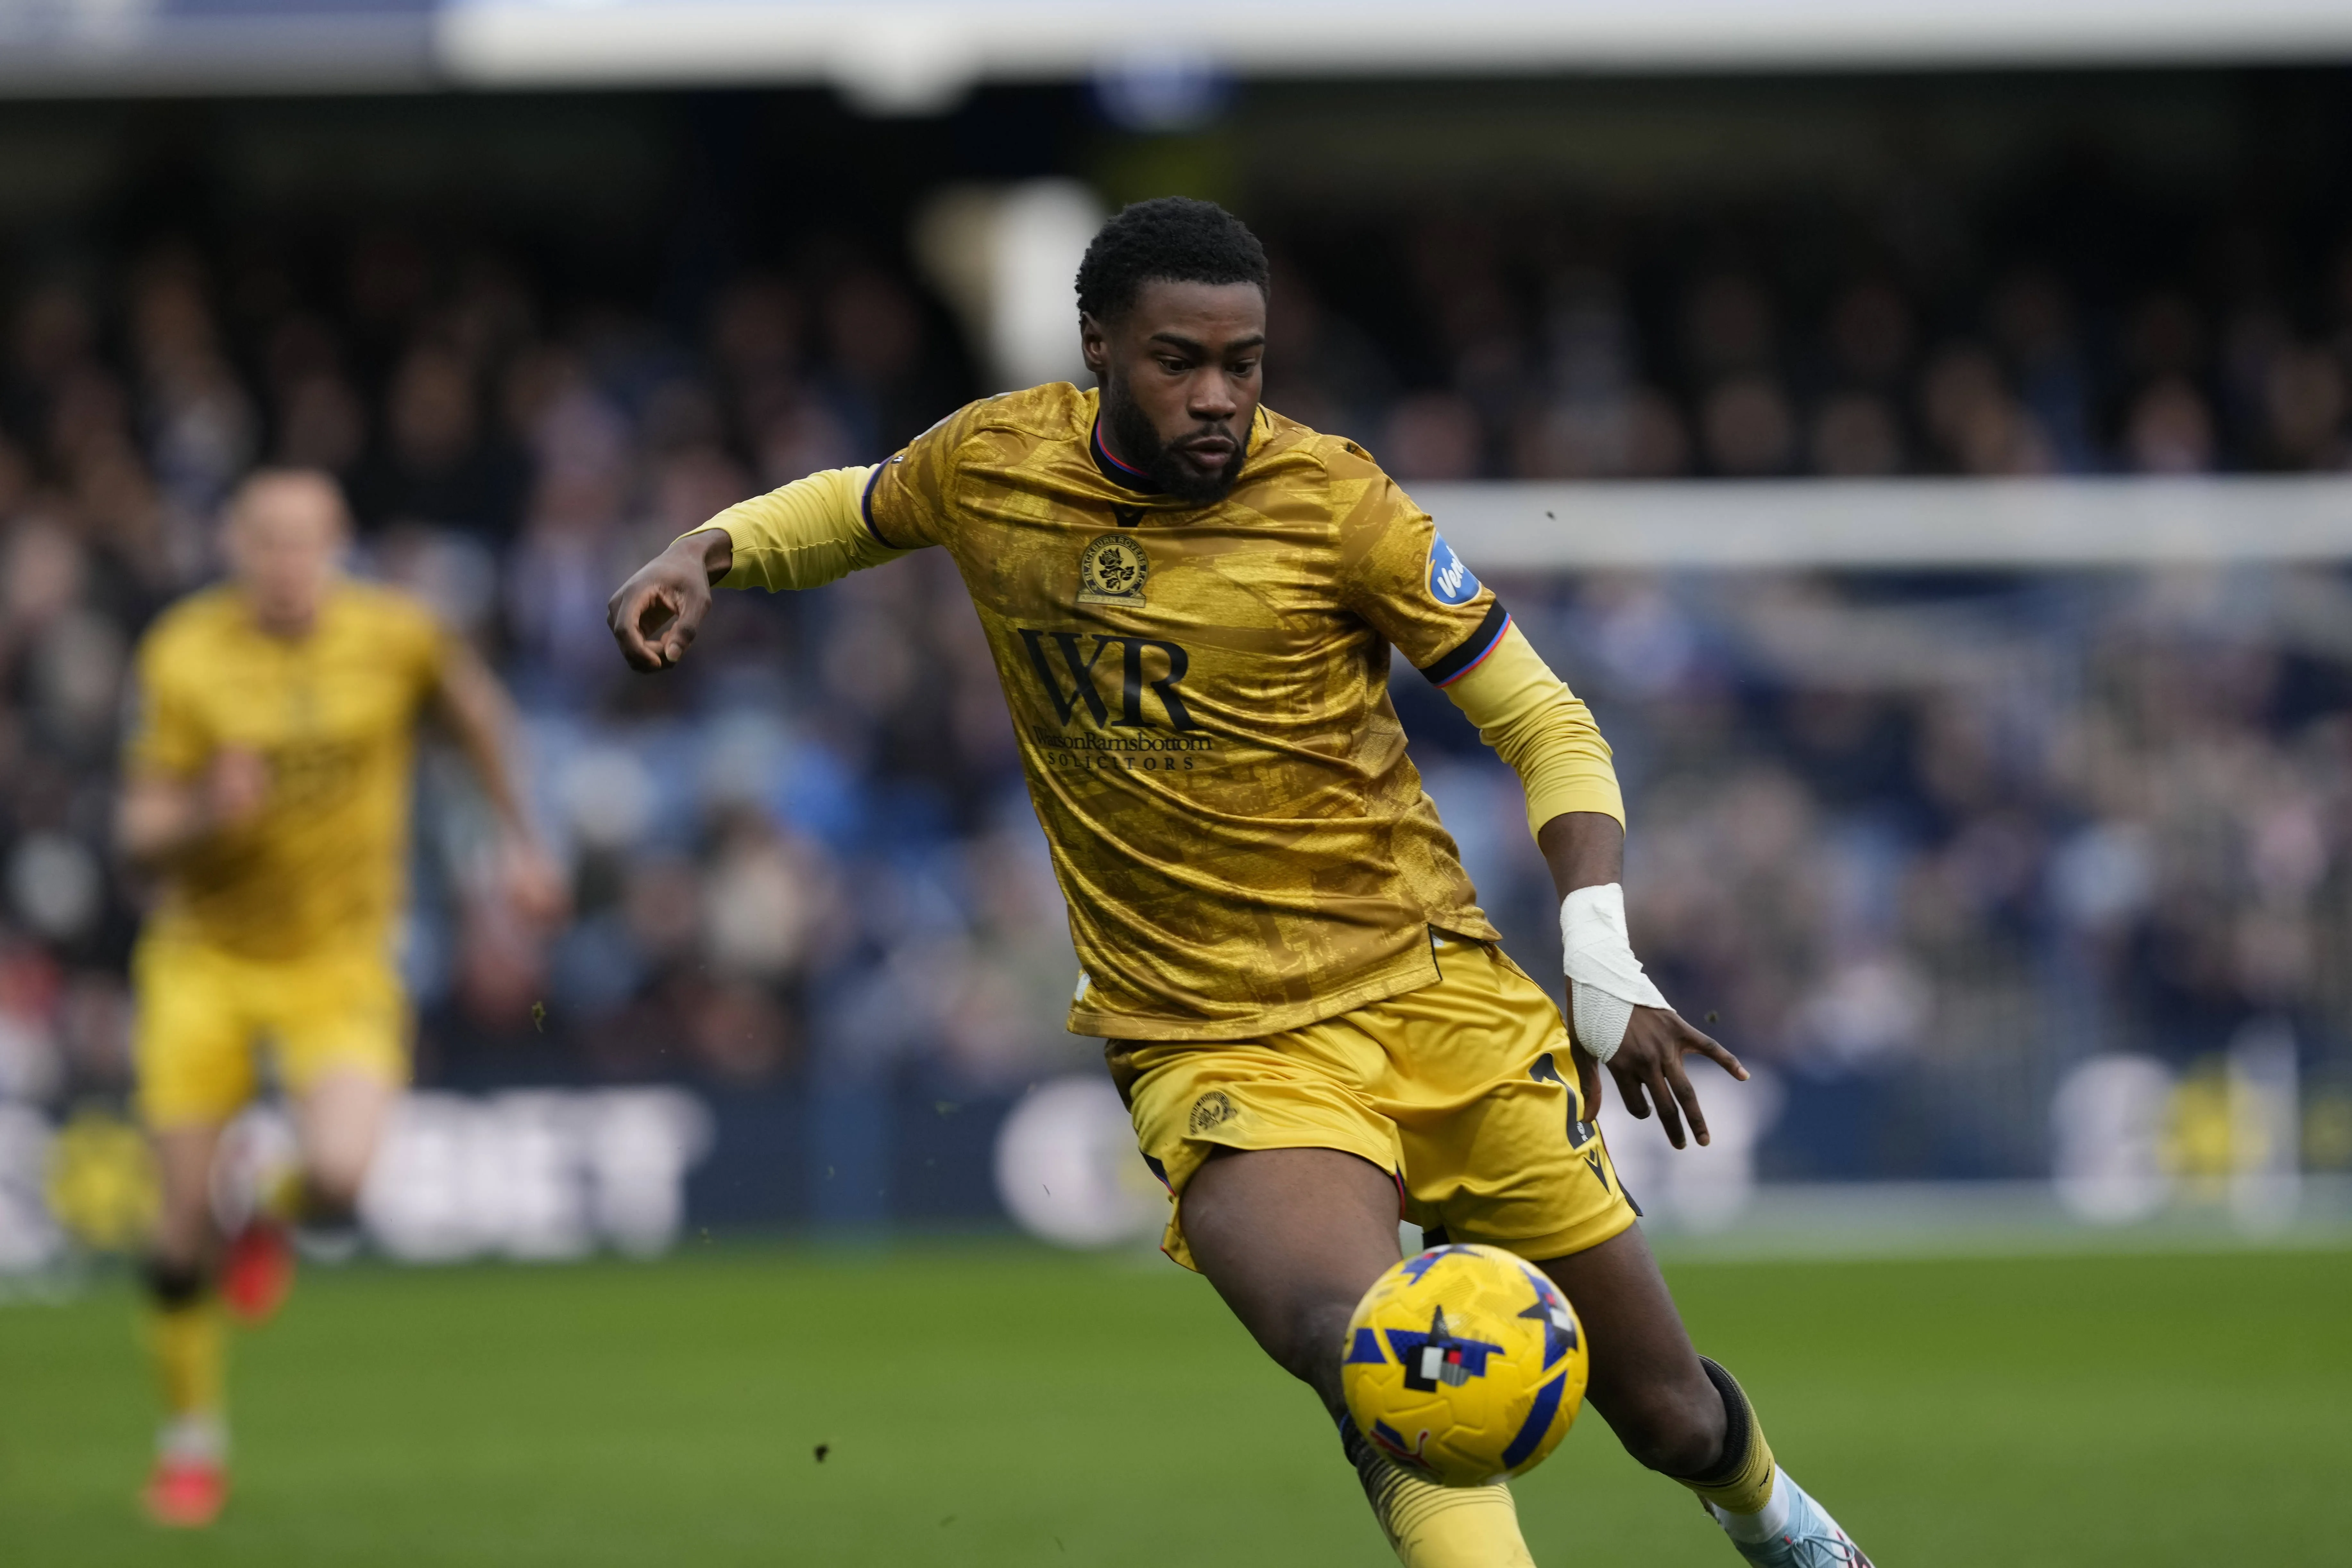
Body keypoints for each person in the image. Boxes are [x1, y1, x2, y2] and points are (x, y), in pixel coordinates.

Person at [608, 198, 1871, 1568]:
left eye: (1245, 362)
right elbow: (853, 508)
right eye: (1177, 360)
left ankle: (1786, 1531)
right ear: (1098, 346)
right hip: (1217, 1040)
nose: (1218, 396)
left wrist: (1601, 949)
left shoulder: (1340, 504)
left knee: (1668, 1413)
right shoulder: (993, 463)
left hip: (1435, 996)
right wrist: (704, 551)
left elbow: (1546, 720)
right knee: (1377, 1353)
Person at [116, 467, 565, 1527]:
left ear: (338, 544)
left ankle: (265, 1215)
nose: (284, 563)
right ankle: (190, 1446)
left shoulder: (397, 635)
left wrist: (521, 842)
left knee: (341, 1175)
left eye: (304, 541)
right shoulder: (182, 653)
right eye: (265, 541)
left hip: (341, 960)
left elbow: (479, 715)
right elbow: (134, 835)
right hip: (203, 960)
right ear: (234, 547)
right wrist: (202, 818)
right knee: (175, 1227)